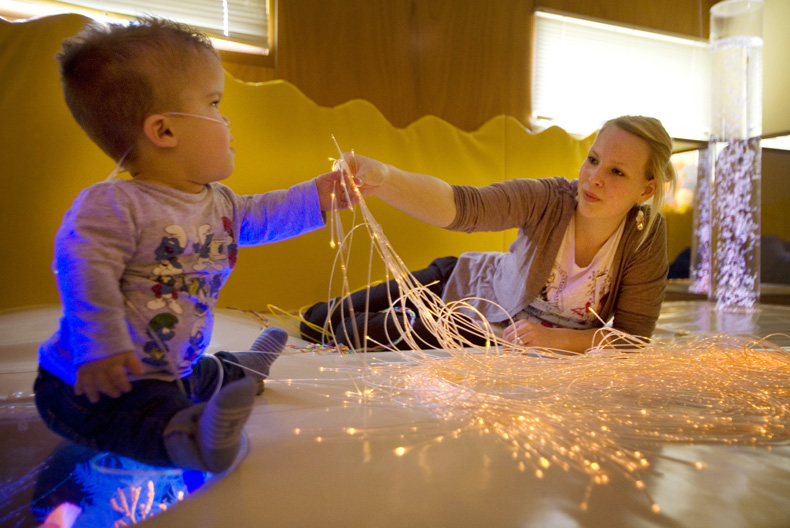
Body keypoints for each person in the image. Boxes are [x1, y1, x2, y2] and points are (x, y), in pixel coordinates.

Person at [35, 17, 344, 474]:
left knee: (202, 376)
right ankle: (189, 439)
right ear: (163, 132)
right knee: (148, 413)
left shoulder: (216, 203)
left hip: (170, 366)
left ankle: (243, 368)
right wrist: (99, 344)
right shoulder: (116, 205)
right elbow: (82, 268)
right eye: (215, 103)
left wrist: (323, 193)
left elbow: (264, 216)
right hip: (95, 381)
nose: (226, 118)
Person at [302, 116, 677, 353]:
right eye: (593, 159)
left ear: (645, 191)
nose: (594, 178)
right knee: (318, 320)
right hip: (458, 281)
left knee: (352, 333)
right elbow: (465, 206)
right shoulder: (549, 198)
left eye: (617, 172)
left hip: (481, 329)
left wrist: (558, 339)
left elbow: (631, 338)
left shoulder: (645, 234)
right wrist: (385, 178)